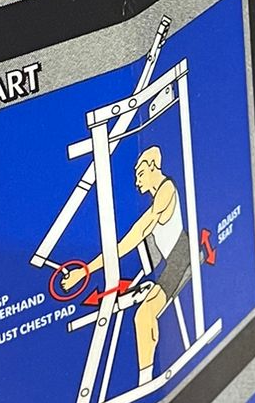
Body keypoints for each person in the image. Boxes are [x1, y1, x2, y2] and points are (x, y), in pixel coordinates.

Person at [58, 146, 189, 387]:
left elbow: (135, 235)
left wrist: (85, 271)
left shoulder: (166, 190)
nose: (137, 181)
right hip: (171, 262)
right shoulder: (158, 198)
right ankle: (145, 380)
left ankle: (145, 382)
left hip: (182, 257)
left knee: (144, 315)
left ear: (153, 167)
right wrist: (86, 271)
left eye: (140, 173)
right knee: (141, 310)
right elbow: (127, 246)